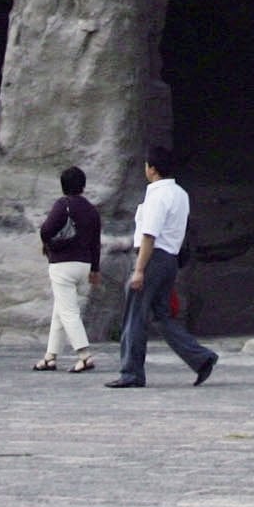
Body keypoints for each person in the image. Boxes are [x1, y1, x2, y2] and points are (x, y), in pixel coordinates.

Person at [107, 148, 216, 389]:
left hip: (153, 258)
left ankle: (131, 372)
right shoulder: (180, 194)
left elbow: (149, 235)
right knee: (162, 316)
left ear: (152, 168)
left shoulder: (157, 196)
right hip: (169, 259)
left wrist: (139, 270)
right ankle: (200, 358)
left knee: (135, 315)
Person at [36, 164, 103, 374]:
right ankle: (50, 356)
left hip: (62, 263)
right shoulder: (92, 210)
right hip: (84, 264)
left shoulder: (63, 205)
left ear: (63, 186)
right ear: (83, 186)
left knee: (68, 312)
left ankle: (84, 355)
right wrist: (95, 268)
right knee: (61, 309)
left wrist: (49, 244)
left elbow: (46, 229)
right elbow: (96, 242)